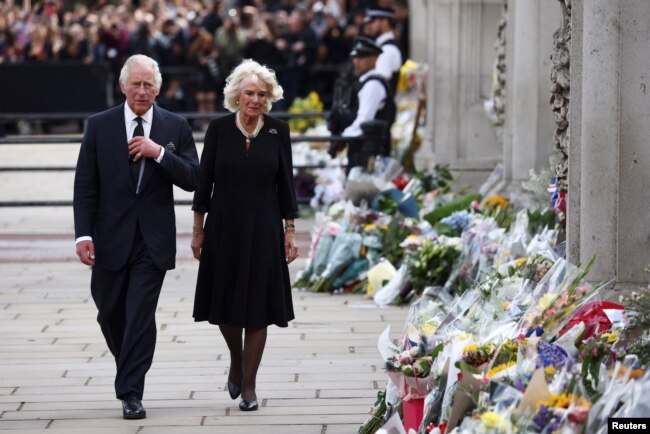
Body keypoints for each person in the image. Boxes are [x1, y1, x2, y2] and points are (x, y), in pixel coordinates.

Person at [73, 54, 200, 420]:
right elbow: (85, 186)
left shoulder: (175, 126)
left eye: (149, 85)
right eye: (136, 84)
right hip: (110, 238)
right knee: (110, 314)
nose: (142, 91)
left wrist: (158, 152)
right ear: (123, 86)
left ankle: (131, 391)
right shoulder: (99, 125)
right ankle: (129, 365)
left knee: (139, 315)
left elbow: (194, 179)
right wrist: (83, 235)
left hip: (152, 240)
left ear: (158, 88)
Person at [191, 59, 300, 412]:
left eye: (262, 94)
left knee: (258, 308)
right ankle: (236, 360)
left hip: (265, 228)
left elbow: (286, 185)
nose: (255, 99)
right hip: (223, 227)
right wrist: (197, 230)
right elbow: (203, 181)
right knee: (225, 305)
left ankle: (250, 384)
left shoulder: (277, 131)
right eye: (250, 93)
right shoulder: (219, 130)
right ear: (236, 95)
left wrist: (290, 230)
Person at [329, 37, 396, 167]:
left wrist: (342, 138)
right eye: (355, 57)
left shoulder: (373, 85)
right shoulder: (365, 82)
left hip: (370, 151)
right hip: (363, 148)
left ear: (374, 59)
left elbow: (364, 121)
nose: (356, 61)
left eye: (362, 57)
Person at [364, 6, 404, 94]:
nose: (369, 26)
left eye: (372, 21)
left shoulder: (388, 49)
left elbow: (379, 83)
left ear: (385, 22)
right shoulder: (382, 46)